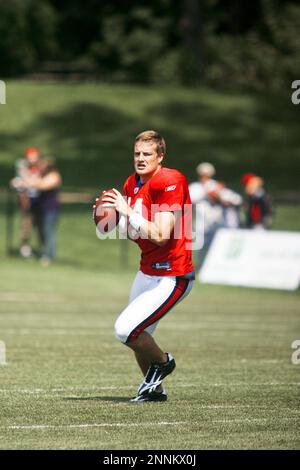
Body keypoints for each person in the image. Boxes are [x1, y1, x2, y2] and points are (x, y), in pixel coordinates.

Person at [98, 130, 194, 403]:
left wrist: (127, 212)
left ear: (160, 156)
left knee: (126, 329)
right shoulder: (132, 183)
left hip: (173, 274)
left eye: (147, 154)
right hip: (147, 270)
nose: (140, 159)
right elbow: (136, 232)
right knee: (141, 335)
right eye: (137, 153)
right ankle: (155, 391)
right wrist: (114, 221)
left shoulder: (170, 180)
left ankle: (164, 362)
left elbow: (162, 234)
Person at [20, 157, 62, 266]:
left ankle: (49, 256)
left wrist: (28, 181)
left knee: (48, 232)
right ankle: (43, 252)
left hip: (51, 209)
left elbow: (42, 185)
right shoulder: (42, 175)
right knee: (41, 231)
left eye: (43, 165)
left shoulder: (54, 176)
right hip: (41, 209)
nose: (40, 167)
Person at [10, 147, 41, 257]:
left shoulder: (41, 167)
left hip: (39, 200)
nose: (32, 160)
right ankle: (24, 248)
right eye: (30, 158)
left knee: (39, 225)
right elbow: (18, 182)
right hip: (26, 199)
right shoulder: (22, 166)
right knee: (26, 224)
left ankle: (40, 249)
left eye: (34, 157)